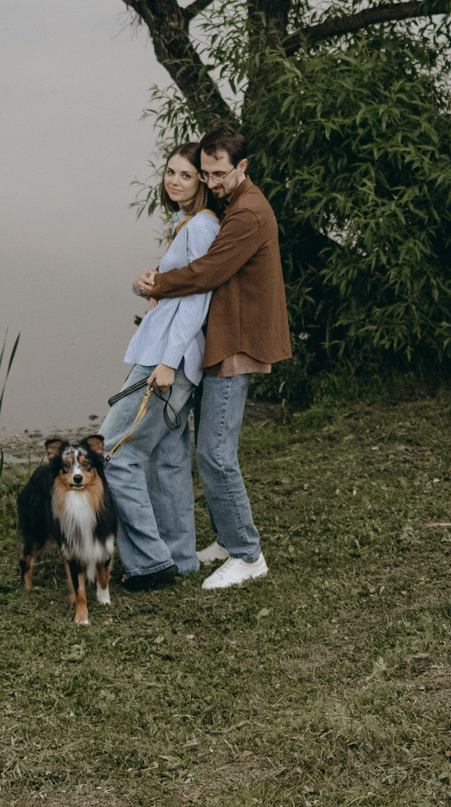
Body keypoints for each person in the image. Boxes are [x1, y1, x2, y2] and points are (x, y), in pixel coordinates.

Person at [133, 125, 289, 590]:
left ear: (242, 167)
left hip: (236, 342)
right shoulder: (231, 203)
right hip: (221, 337)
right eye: (205, 173)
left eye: (218, 174)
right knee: (212, 447)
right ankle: (226, 539)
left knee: (216, 453)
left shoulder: (249, 215)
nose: (210, 183)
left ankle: (247, 554)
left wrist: (157, 284)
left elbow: (207, 272)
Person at [97, 145, 218, 593]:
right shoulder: (185, 223)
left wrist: (167, 363)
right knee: (166, 457)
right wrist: (144, 285)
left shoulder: (202, 226)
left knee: (113, 452)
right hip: (171, 355)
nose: (174, 181)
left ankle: (149, 562)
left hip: (165, 359)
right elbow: (176, 290)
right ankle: (180, 557)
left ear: (203, 182)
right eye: (170, 172)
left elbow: (199, 297)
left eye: (186, 175)